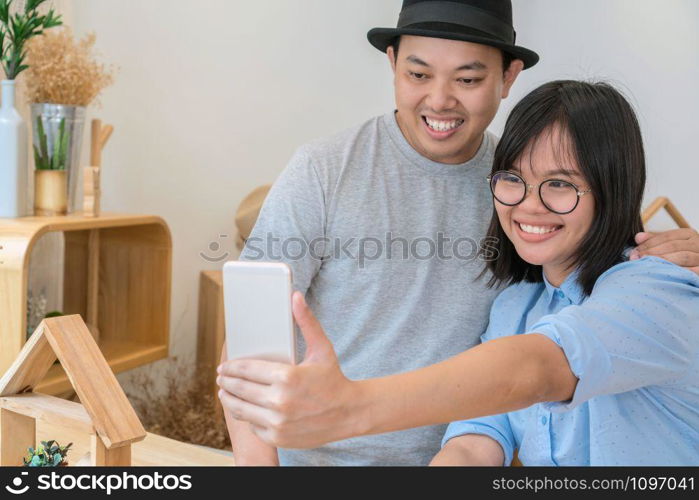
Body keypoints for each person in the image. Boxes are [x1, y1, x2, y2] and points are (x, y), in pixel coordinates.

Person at [220, 0, 699, 466]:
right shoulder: (324, 170)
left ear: (509, 76)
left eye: (468, 79)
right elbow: (249, 339)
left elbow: (544, 357)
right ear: (392, 64)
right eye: (418, 74)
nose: (439, 100)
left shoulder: (517, 173)